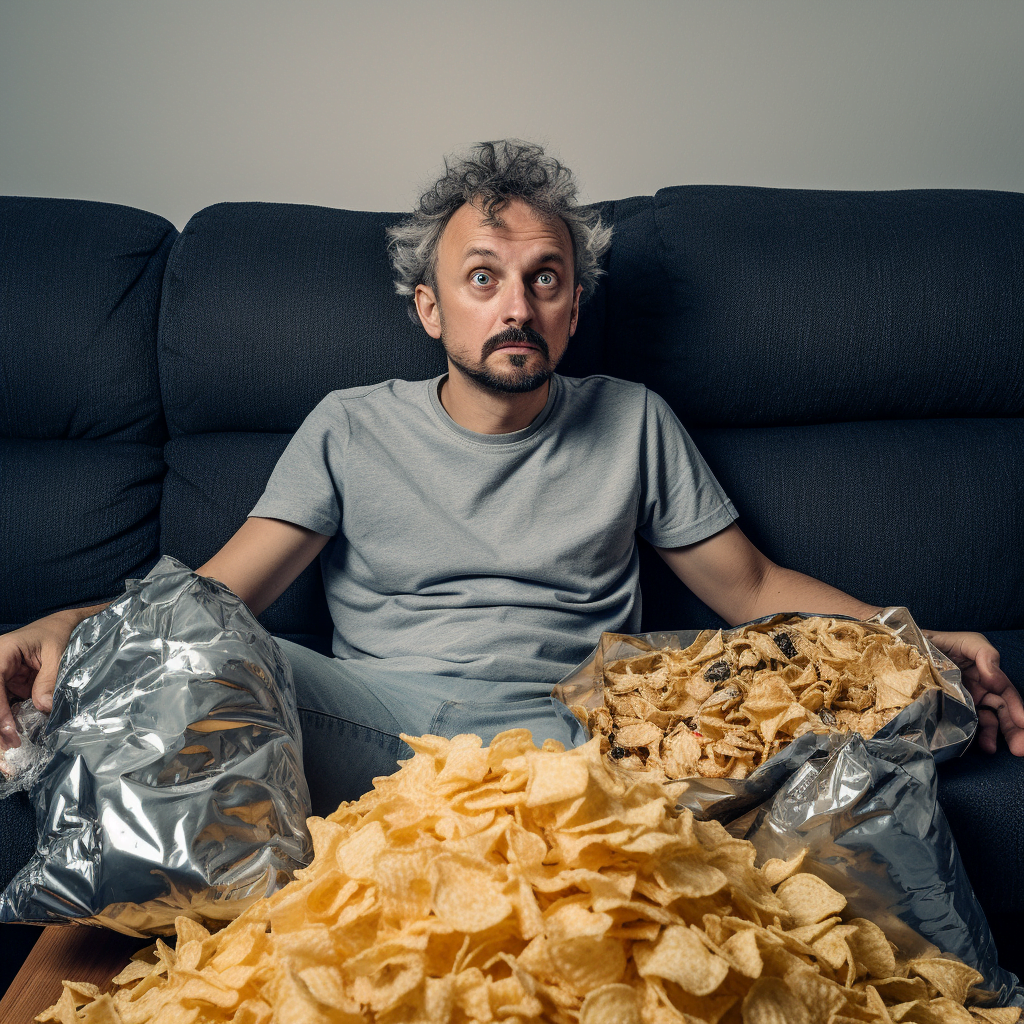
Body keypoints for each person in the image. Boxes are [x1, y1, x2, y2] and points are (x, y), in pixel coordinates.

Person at [1, 140, 1022, 814]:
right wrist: (71, 626)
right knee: (179, 646)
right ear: (431, 309)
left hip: (591, 730)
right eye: (482, 277)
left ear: (575, 305)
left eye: (545, 278)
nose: (517, 305)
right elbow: (221, 597)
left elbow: (749, 591)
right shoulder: (348, 425)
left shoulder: (632, 418)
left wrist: (908, 637)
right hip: (376, 724)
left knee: (876, 697)